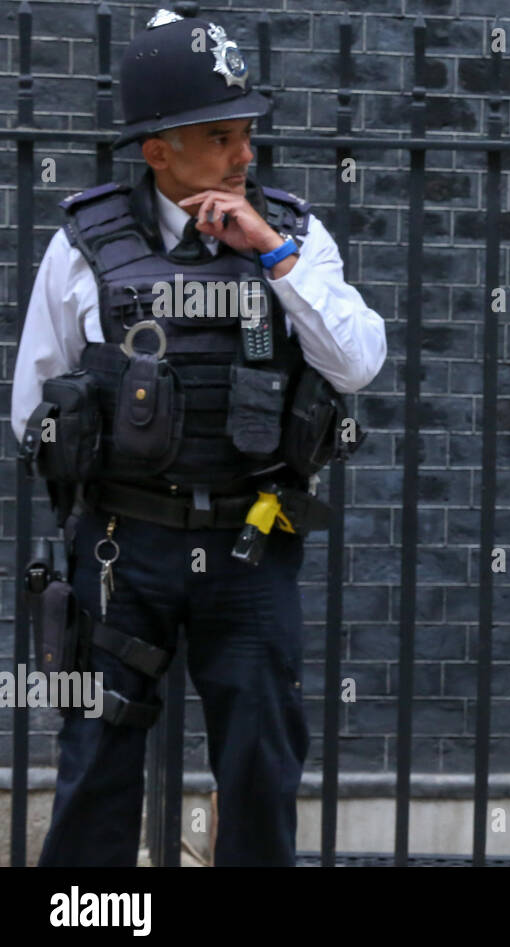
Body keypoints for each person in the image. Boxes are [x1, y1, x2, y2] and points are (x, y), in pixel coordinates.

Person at [12, 8, 386, 866]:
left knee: (259, 766)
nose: (243, 155)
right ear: (158, 151)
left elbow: (360, 362)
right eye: (220, 137)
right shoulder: (84, 245)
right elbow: (34, 403)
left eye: (248, 133)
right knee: (97, 761)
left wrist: (274, 258)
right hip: (120, 546)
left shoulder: (294, 232)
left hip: (253, 542)